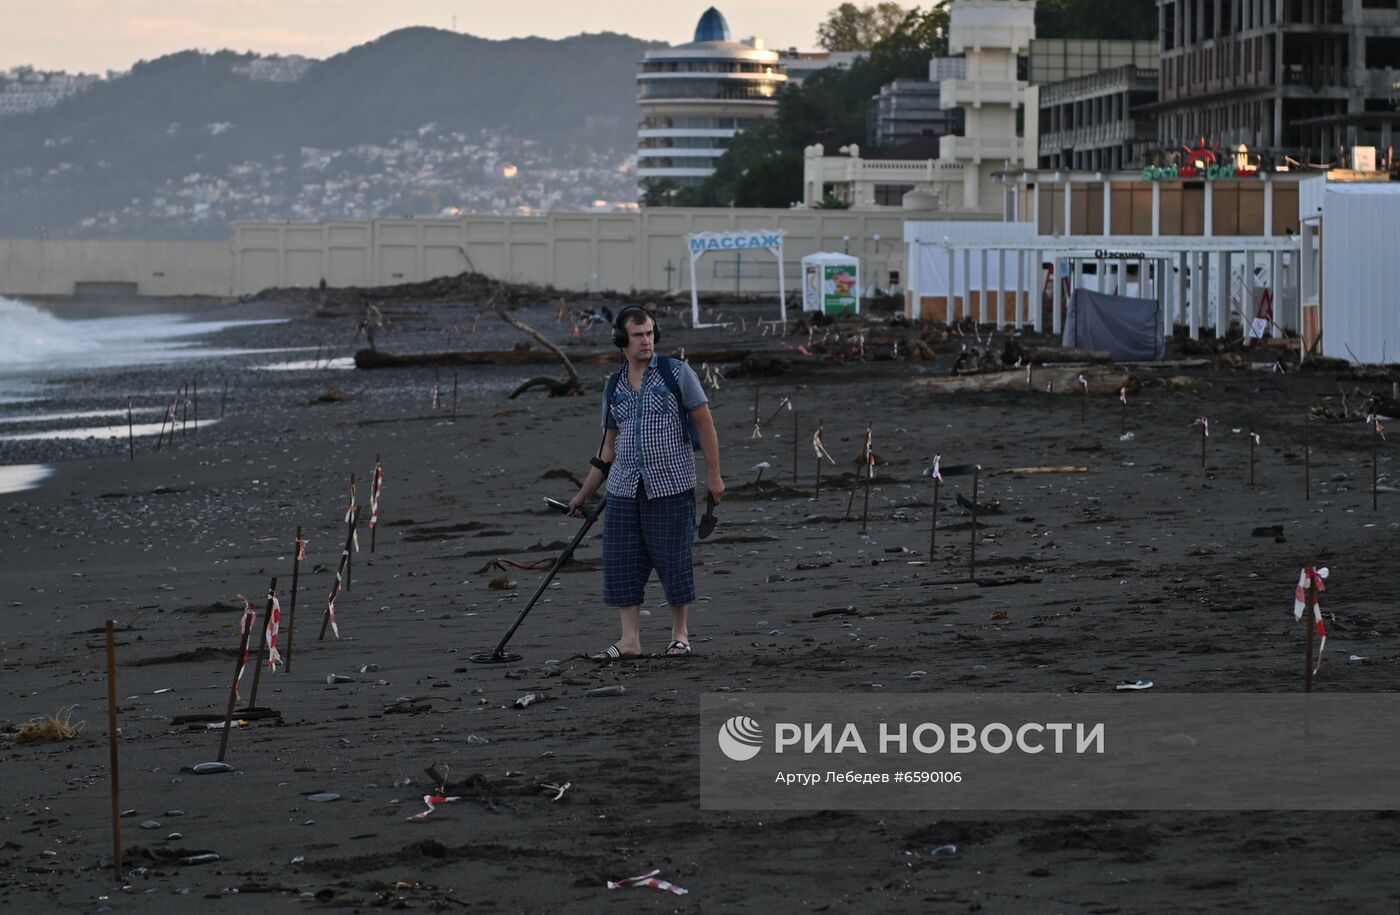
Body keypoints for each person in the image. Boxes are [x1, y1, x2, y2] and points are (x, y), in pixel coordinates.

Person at [568, 304, 724, 659]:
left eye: (650, 333)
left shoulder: (676, 373)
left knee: (674, 561)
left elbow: (705, 425)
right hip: (623, 489)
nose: (646, 340)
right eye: (638, 335)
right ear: (622, 339)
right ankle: (630, 641)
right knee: (622, 563)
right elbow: (607, 449)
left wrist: (715, 476)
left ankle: (680, 635)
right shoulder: (614, 385)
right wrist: (583, 495)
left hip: (671, 484)